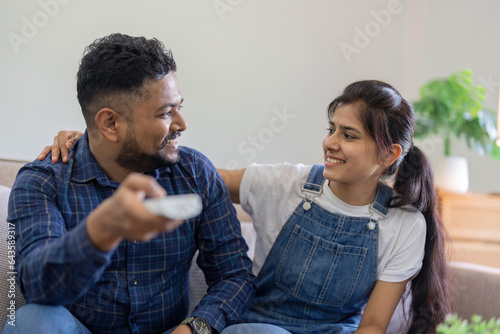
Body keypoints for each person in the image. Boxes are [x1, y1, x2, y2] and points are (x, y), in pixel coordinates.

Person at [41, 80, 452, 333]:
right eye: (331, 130)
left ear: (388, 153)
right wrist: (97, 143)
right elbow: (192, 173)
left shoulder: (403, 224)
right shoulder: (286, 183)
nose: (330, 142)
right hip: (257, 329)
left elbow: (374, 325)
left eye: (348, 135)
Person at [5, 33, 257, 334]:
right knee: (33, 321)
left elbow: (235, 276)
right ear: (110, 124)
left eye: (179, 107)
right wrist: (102, 231)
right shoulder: (44, 181)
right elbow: (39, 287)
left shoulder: (196, 173)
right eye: (165, 112)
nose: (181, 124)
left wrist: (195, 328)